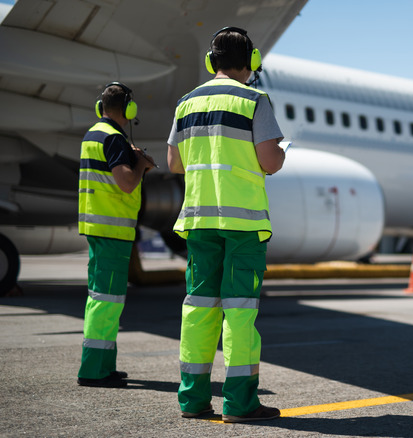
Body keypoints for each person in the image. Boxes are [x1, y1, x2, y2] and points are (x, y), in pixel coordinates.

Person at [167, 26, 285, 422]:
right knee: (239, 312)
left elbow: (174, 164)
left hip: (199, 220)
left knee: (198, 309)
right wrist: (279, 154)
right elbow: (269, 162)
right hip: (243, 223)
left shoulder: (186, 103)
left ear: (210, 62)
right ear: (251, 62)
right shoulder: (255, 100)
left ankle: (193, 401)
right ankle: (240, 402)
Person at [77, 82, 156, 388]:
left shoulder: (94, 134)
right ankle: (94, 371)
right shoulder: (114, 138)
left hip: (99, 227)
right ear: (129, 110)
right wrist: (141, 164)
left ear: (101, 107)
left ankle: (104, 365)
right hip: (112, 230)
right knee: (107, 301)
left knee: (104, 299)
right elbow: (125, 183)